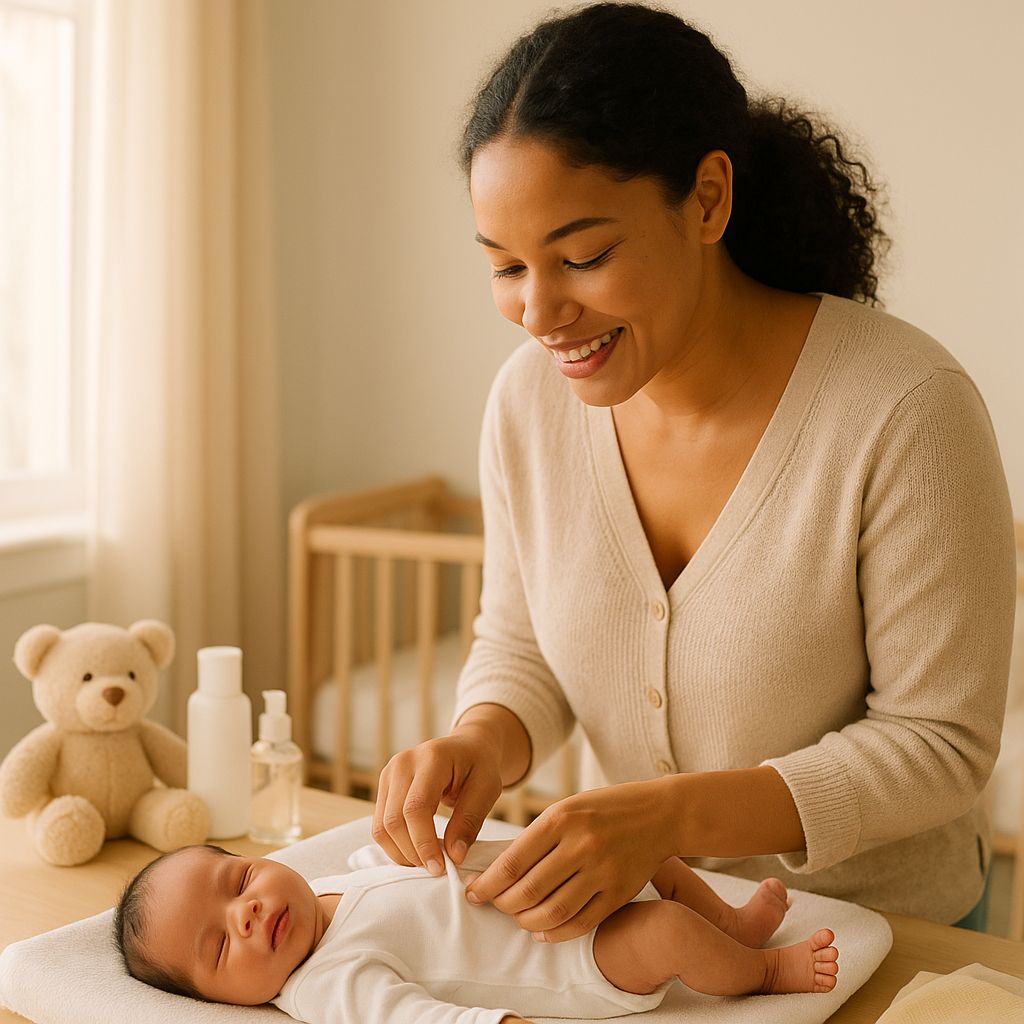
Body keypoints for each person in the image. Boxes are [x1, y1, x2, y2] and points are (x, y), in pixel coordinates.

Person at [371, 0, 1017, 944]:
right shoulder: (525, 405)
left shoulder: (905, 408)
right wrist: (479, 741)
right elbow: (524, 645)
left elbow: (939, 744)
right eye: (506, 267)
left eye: (583, 256)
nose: (539, 314)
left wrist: (670, 817)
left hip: (884, 937)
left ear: (708, 198)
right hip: (655, 937)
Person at [113, 840, 839, 1022]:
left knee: (650, 853)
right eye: (219, 945)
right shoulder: (324, 983)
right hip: (572, 956)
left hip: (550, 890)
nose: (244, 912)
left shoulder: (334, 885)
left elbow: (398, 867)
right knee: (668, 932)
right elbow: (408, 1018)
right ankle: (764, 972)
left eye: (239, 879)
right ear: (221, 1001)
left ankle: (734, 927)